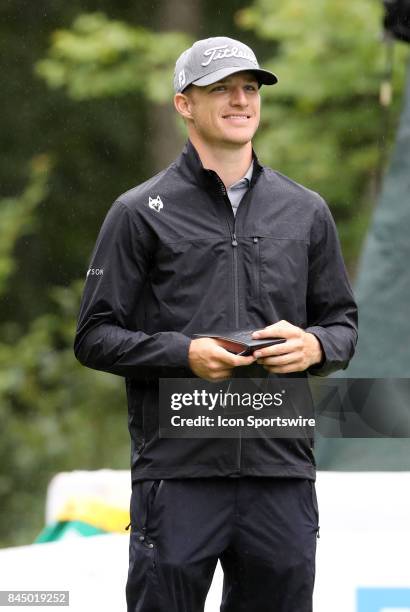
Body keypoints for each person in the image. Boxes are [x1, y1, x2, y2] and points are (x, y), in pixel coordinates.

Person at [74, 36, 358, 612]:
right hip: (178, 473)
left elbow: (342, 324)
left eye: (249, 88)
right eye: (221, 89)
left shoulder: (306, 210)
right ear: (185, 104)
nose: (240, 100)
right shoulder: (137, 211)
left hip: (280, 470)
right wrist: (185, 355)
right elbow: (94, 336)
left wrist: (313, 347)